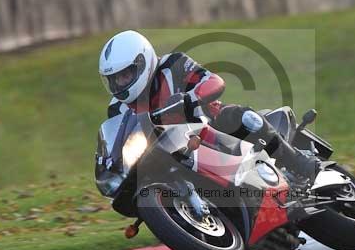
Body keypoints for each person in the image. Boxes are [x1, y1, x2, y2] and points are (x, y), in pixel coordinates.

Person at [98, 29, 321, 182]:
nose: (120, 83)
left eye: (125, 75)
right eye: (115, 79)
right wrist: (109, 161)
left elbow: (213, 81)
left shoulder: (172, 65)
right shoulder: (117, 108)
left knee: (246, 119)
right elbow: (117, 141)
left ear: (142, 62)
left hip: (211, 122)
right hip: (168, 152)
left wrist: (191, 97)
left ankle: (297, 162)